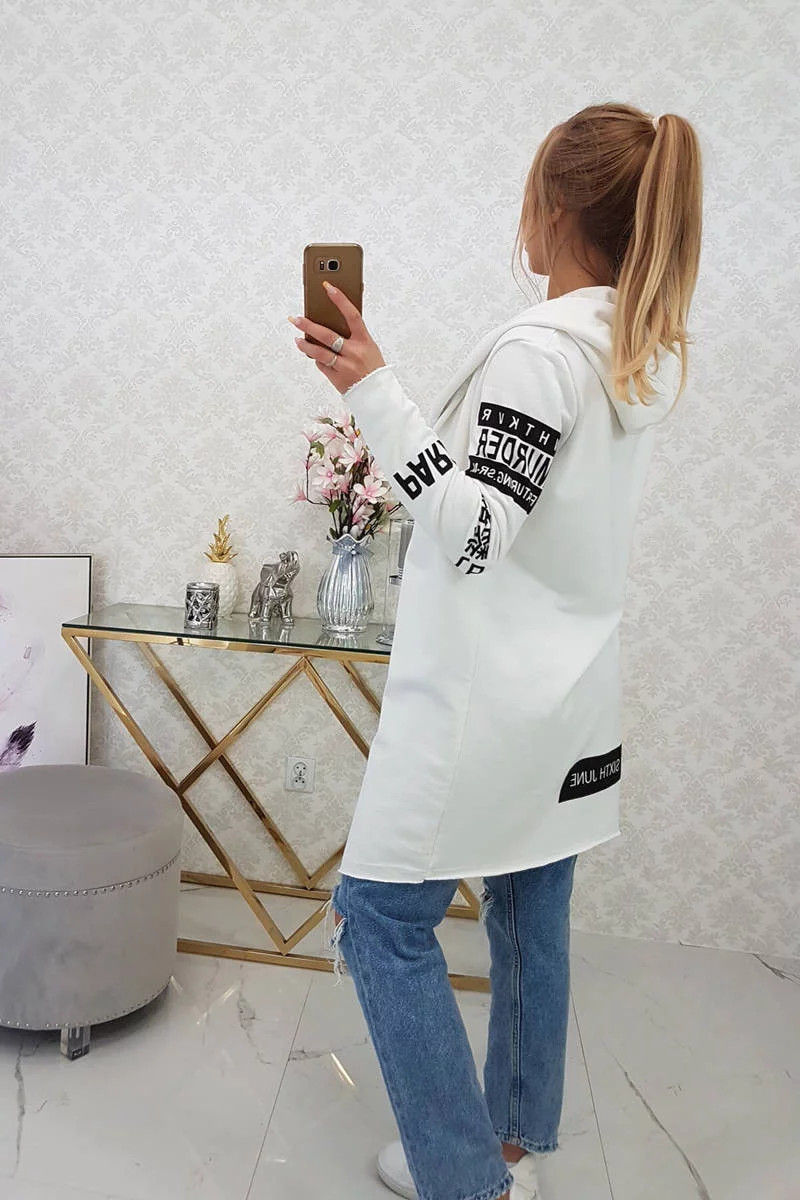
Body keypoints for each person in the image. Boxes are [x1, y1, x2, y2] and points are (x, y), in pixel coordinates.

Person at [289, 101, 703, 1200]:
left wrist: (371, 390)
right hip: (568, 701)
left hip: (481, 708)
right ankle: (511, 1148)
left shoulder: (541, 350)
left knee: (377, 921)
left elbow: (475, 535)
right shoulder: (638, 352)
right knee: (527, 913)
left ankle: (468, 1181)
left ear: (555, 209)